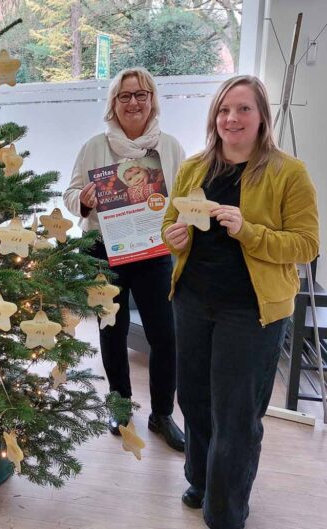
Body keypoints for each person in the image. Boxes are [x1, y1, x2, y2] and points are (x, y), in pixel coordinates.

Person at [163, 75, 318, 528]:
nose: (232, 118)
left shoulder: (288, 172)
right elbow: (172, 225)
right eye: (224, 109)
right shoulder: (194, 168)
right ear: (215, 116)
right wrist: (172, 237)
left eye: (244, 109)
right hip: (192, 300)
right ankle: (199, 479)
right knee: (192, 398)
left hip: (251, 312)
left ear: (261, 117)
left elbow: (306, 245)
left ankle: (226, 510)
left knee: (235, 412)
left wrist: (246, 229)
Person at [63, 67, 186, 451]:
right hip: (103, 251)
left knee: (165, 335)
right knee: (110, 332)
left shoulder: (170, 147)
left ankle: (162, 413)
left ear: (152, 100)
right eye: (125, 96)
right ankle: (120, 407)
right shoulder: (95, 146)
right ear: (113, 103)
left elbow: (184, 196)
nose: (133, 102)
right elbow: (69, 193)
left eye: (141, 94)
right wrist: (82, 200)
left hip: (153, 252)